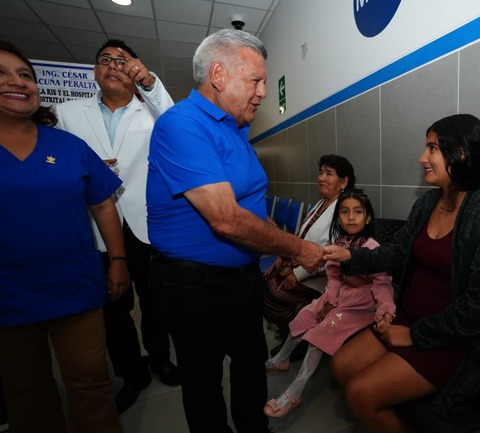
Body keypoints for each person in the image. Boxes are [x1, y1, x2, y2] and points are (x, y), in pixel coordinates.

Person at [146, 29, 325, 433]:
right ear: (218, 75)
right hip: (194, 284)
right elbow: (226, 218)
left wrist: (280, 242)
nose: (263, 92)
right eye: (256, 80)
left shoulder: (236, 128)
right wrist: (299, 248)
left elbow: (249, 206)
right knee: (203, 380)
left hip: (242, 277)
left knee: (249, 364)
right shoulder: (182, 124)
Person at [323, 114, 480, 433]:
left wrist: (415, 335)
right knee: (341, 367)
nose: (422, 157)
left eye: (432, 148)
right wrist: (350, 256)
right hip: (408, 320)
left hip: (453, 340)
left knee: (360, 394)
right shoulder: (428, 203)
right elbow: (398, 251)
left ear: (461, 154)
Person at [0, 40, 127, 433]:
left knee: (90, 384)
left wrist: (118, 261)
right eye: (2, 74)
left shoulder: (69, 147)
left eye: (25, 74)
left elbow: (103, 205)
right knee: (26, 390)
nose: (17, 81)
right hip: (7, 295)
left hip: (75, 288)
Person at [54, 39, 178, 414]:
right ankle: (131, 372)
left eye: (122, 61)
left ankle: (160, 359)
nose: (112, 65)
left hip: (144, 224)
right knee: (112, 306)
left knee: (155, 302)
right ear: (95, 71)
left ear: (134, 70)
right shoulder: (67, 113)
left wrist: (150, 83)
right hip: (96, 225)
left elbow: (175, 123)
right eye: (105, 60)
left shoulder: (150, 112)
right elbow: (56, 160)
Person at [264, 188, 396, 419]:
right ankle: (281, 359)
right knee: (305, 315)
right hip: (338, 294)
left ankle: (295, 391)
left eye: (358, 212)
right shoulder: (339, 242)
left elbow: (382, 284)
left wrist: (385, 311)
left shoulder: (372, 248)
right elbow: (334, 276)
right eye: (345, 212)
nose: (351, 217)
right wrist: (330, 301)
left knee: (320, 334)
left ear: (368, 218)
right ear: (338, 218)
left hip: (361, 302)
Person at [263, 154, 356, 349]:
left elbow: (334, 256)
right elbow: (301, 238)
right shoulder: (322, 203)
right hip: (304, 264)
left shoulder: (345, 210)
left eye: (329, 174)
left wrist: (297, 274)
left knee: (273, 295)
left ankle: (297, 340)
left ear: (343, 182)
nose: (321, 178)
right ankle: (293, 333)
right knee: (266, 281)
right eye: (321, 172)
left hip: (325, 276)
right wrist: (282, 259)